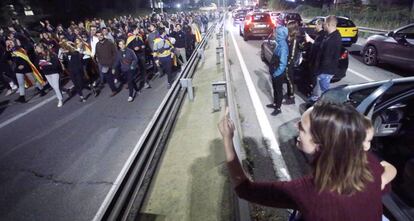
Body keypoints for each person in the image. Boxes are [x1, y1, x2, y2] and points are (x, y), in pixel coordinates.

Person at [218, 101, 390, 221]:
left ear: (321, 145)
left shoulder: (308, 192)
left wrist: (227, 140)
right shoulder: (368, 164)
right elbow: (384, 181)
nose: (296, 127)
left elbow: (245, 189)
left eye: (301, 127)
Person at [310, 16, 341, 102]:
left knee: (325, 93)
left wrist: (319, 71)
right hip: (324, 71)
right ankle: (317, 103)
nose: (323, 26)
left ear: (328, 24)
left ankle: (325, 109)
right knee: (321, 91)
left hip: (325, 71)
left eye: (324, 24)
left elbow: (327, 58)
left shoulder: (333, 39)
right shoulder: (331, 36)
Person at [362, 117, 397, 190]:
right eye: (360, 141)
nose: (366, 146)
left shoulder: (368, 154)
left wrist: (382, 180)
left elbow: (390, 168)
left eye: (368, 141)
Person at [266, 24, 289, 116]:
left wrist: (276, 73)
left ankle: (278, 108)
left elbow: (283, 64)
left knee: (279, 91)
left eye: (276, 32)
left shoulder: (283, 47)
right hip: (275, 72)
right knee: (275, 89)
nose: (274, 34)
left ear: (280, 34)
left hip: (278, 73)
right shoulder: (279, 44)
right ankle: (275, 103)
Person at [305, 18, 326, 97]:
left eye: (316, 24)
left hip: (316, 62)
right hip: (314, 61)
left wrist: (310, 40)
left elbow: (318, 46)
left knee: (315, 82)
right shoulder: (319, 34)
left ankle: (315, 97)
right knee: (313, 80)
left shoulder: (322, 35)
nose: (315, 26)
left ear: (320, 25)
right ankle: (313, 94)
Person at [95, 30, 118, 96]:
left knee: (117, 75)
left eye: (101, 35)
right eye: (98, 36)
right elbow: (97, 54)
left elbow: (115, 52)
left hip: (112, 62)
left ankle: (125, 82)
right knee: (109, 78)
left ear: (103, 35)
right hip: (104, 64)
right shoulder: (97, 45)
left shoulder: (109, 42)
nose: (100, 37)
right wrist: (100, 61)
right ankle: (114, 90)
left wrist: (114, 62)